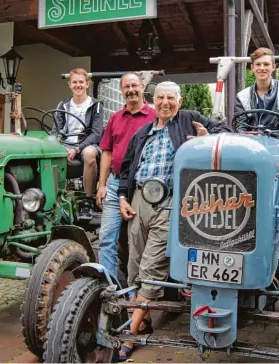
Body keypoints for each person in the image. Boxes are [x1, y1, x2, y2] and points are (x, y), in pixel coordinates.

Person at [116, 81, 232, 361]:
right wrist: (122, 197)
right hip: (140, 199)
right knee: (133, 264)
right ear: (152, 101)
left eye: (170, 97)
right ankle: (142, 319)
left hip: (171, 201)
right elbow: (127, 168)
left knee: (152, 265)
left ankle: (131, 333)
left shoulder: (190, 119)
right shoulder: (143, 131)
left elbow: (226, 131)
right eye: (160, 98)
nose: (165, 102)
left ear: (179, 101)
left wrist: (205, 139)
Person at [96, 72, 157, 280]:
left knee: (140, 240)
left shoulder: (155, 116)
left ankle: (141, 288)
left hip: (143, 186)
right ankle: (109, 287)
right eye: (126, 87)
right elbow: (107, 152)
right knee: (106, 237)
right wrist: (101, 184)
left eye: (134, 85)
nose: (130, 90)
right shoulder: (115, 118)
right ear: (122, 91)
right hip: (114, 183)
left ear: (142, 87)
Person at [234, 47, 279, 186]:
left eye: (266, 64)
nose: (262, 68)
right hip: (252, 146)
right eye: (258, 64)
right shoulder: (242, 96)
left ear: (273, 67)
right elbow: (240, 126)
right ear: (252, 68)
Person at [53, 68, 103, 220]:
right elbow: (57, 129)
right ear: (69, 84)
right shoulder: (63, 105)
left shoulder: (96, 104)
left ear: (87, 84)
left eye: (81, 82)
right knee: (50, 154)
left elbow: (96, 133)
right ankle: (54, 199)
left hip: (86, 144)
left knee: (89, 153)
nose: (78, 85)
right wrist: (55, 144)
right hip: (67, 144)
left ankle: (87, 201)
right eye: (74, 82)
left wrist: (77, 149)